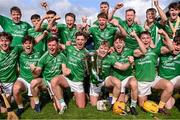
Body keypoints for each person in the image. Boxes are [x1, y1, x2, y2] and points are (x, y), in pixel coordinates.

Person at [132, 30, 174, 114]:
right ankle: (132, 95)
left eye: (148, 38)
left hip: (154, 79)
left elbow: (171, 48)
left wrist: (164, 34)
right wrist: (136, 37)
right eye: (143, 38)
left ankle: (161, 107)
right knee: (142, 105)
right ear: (140, 40)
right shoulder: (135, 51)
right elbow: (144, 51)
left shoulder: (155, 50)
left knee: (169, 85)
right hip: (142, 82)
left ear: (151, 39)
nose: (146, 40)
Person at [51, 32, 88, 114]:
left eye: (82, 40)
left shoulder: (87, 54)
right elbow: (58, 44)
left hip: (77, 81)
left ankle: (79, 94)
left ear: (85, 41)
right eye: (78, 39)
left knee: (81, 107)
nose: (80, 41)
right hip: (67, 78)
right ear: (75, 40)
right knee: (54, 81)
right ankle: (62, 103)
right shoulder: (69, 48)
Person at [30, 37, 68, 113]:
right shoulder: (43, 57)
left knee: (60, 109)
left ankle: (63, 94)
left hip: (57, 81)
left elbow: (64, 71)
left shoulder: (62, 56)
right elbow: (37, 73)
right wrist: (34, 70)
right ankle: (38, 103)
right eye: (49, 45)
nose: (51, 47)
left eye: (53, 45)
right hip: (46, 81)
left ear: (57, 45)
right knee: (33, 83)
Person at [13, 35, 42, 117]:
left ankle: (36, 99)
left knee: (33, 106)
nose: (28, 45)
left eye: (30, 43)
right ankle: (20, 108)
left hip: (34, 81)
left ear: (33, 44)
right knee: (15, 88)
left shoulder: (39, 53)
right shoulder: (20, 53)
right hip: (23, 79)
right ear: (23, 45)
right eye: (26, 43)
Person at [111, 35, 138, 115]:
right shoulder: (111, 55)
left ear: (124, 44)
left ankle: (133, 106)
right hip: (117, 81)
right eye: (116, 43)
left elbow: (142, 51)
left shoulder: (130, 51)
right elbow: (122, 67)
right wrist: (130, 62)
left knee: (133, 83)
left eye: (120, 42)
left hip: (127, 77)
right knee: (121, 104)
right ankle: (127, 95)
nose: (118, 44)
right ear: (113, 44)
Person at [0, 32, 21, 113]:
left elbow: (31, 44)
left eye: (7, 41)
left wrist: (43, 35)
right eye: (2, 41)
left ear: (11, 42)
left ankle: (13, 98)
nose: (4, 43)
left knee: (4, 110)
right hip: (1, 83)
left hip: (12, 83)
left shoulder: (15, 49)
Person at [158, 34, 180, 109]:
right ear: (171, 44)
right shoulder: (163, 52)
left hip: (175, 81)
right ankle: (174, 95)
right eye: (176, 44)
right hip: (164, 81)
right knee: (168, 106)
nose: (178, 47)